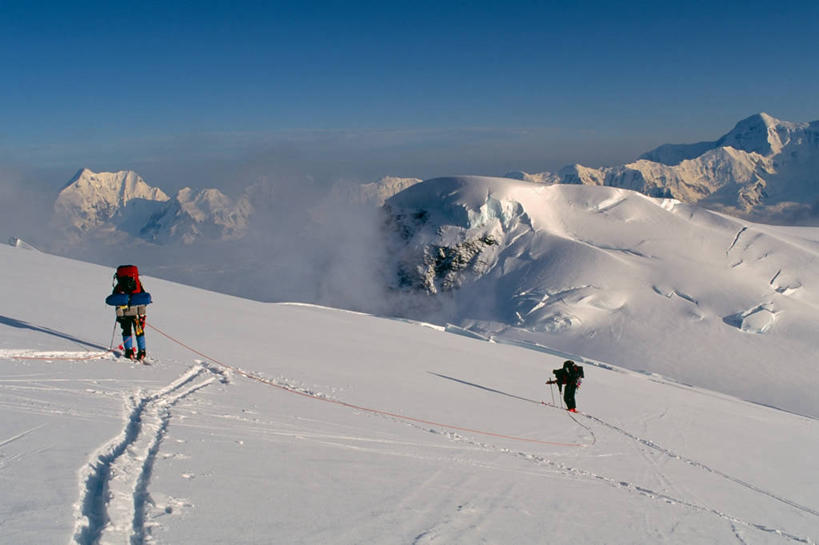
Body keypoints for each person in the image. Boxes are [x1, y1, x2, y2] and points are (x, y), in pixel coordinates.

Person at [109, 265, 150, 361]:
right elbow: (144, 297)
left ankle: (129, 351)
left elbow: (114, 298)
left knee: (126, 331)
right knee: (139, 331)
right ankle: (142, 352)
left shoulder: (119, 286)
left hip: (124, 313)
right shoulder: (138, 284)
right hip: (137, 312)